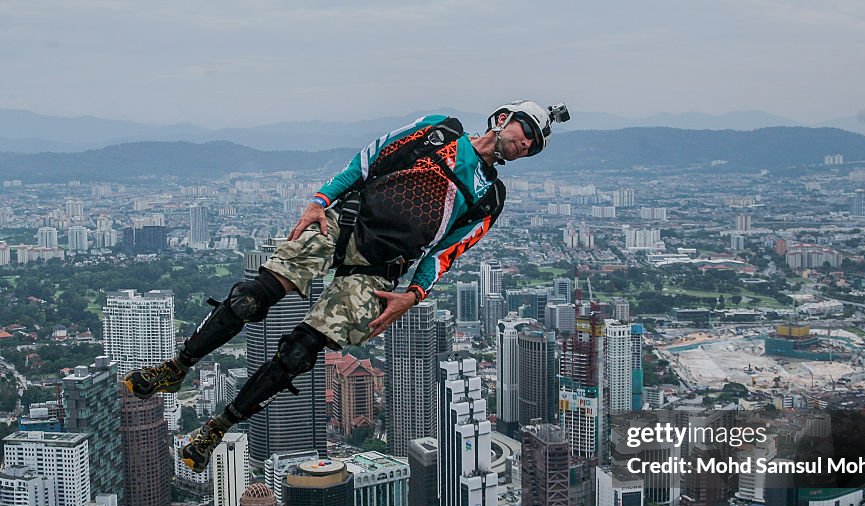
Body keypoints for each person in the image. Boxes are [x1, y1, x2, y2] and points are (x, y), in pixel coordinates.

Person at [124, 100, 570, 472]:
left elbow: (449, 251)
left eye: (534, 146)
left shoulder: (490, 196)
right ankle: (176, 367)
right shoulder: (440, 131)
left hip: (380, 270)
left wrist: (412, 295)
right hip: (347, 223)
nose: (527, 143)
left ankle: (217, 427)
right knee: (249, 299)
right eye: (526, 131)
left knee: (299, 352)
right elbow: (368, 159)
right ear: (503, 117)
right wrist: (320, 200)